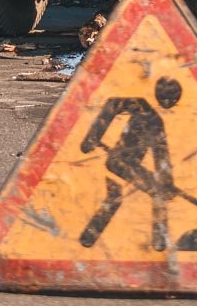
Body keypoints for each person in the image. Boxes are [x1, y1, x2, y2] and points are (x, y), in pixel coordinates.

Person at [78, 77, 183, 251]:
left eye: (172, 100)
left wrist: (167, 182)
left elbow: (161, 156)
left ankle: (87, 239)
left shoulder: (155, 120)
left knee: (115, 197)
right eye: (168, 99)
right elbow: (111, 105)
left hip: (127, 165)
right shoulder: (143, 108)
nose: (169, 103)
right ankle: (159, 243)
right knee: (157, 193)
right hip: (120, 161)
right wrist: (92, 138)